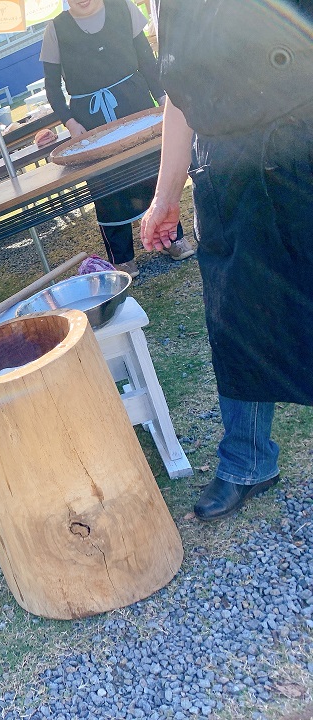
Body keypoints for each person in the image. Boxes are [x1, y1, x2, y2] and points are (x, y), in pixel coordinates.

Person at [140, 0, 313, 521]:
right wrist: (165, 196)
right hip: (225, 176)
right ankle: (248, 461)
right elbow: (181, 99)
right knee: (238, 323)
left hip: (300, 151)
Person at [39, 0, 193, 278]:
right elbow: (52, 87)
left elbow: (147, 60)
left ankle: (171, 238)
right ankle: (122, 258)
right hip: (91, 123)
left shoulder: (124, 8)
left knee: (152, 175)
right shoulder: (55, 29)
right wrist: (71, 122)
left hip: (136, 107)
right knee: (107, 189)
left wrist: (161, 97)